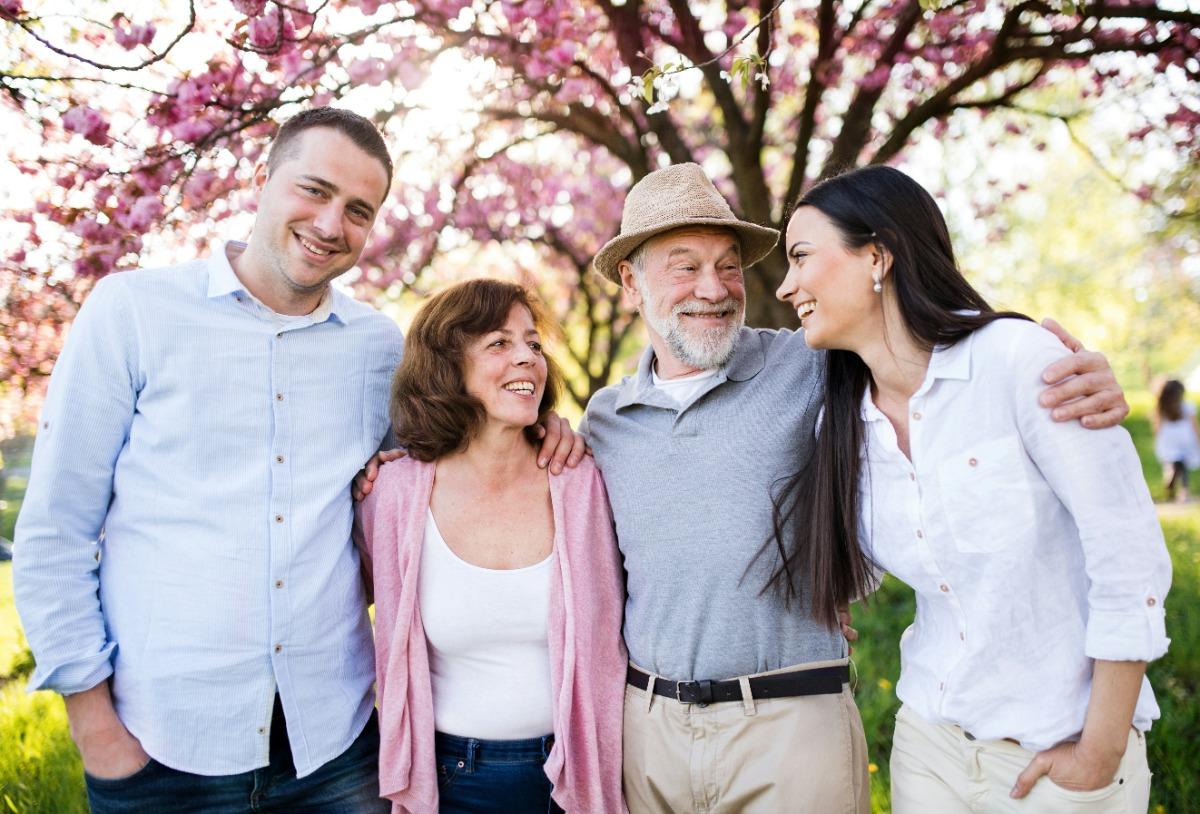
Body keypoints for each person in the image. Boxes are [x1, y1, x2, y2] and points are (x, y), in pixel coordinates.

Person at [13, 107, 581, 814]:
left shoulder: (377, 348)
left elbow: (454, 445)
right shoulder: (133, 313)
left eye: (358, 211)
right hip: (161, 748)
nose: (331, 224)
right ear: (263, 178)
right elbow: (55, 532)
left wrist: (542, 428)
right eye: (313, 190)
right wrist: (95, 727)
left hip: (334, 749)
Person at [580, 162, 1132, 814]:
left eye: (728, 265)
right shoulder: (604, 422)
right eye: (684, 266)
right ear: (629, 283)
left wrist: (1082, 374)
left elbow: (938, 353)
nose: (715, 288)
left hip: (789, 719)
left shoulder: (819, 360)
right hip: (651, 730)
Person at [772, 165, 1171, 813]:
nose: (787, 285)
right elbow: (864, 567)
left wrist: (1098, 752)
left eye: (801, 257)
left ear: (877, 255)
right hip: (930, 746)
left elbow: (1130, 561)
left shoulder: (1021, 363)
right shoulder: (842, 419)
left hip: (1058, 753)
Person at [354, 278, 626, 814]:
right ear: (446, 367)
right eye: (499, 343)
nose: (527, 357)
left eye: (533, 343)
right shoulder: (393, 496)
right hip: (454, 781)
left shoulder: (584, 482)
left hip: (581, 774)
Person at [1153, 379, 1200, 502]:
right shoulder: (1187, 405)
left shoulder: (1161, 407)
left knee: (1171, 462)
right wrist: (1198, 439)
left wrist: (1158, 439)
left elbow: (1157, 426)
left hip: (1168, 438)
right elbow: (1194, 425)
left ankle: (1170, 477)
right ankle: (1184, 492)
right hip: (1185, 437)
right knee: (1183, 467)